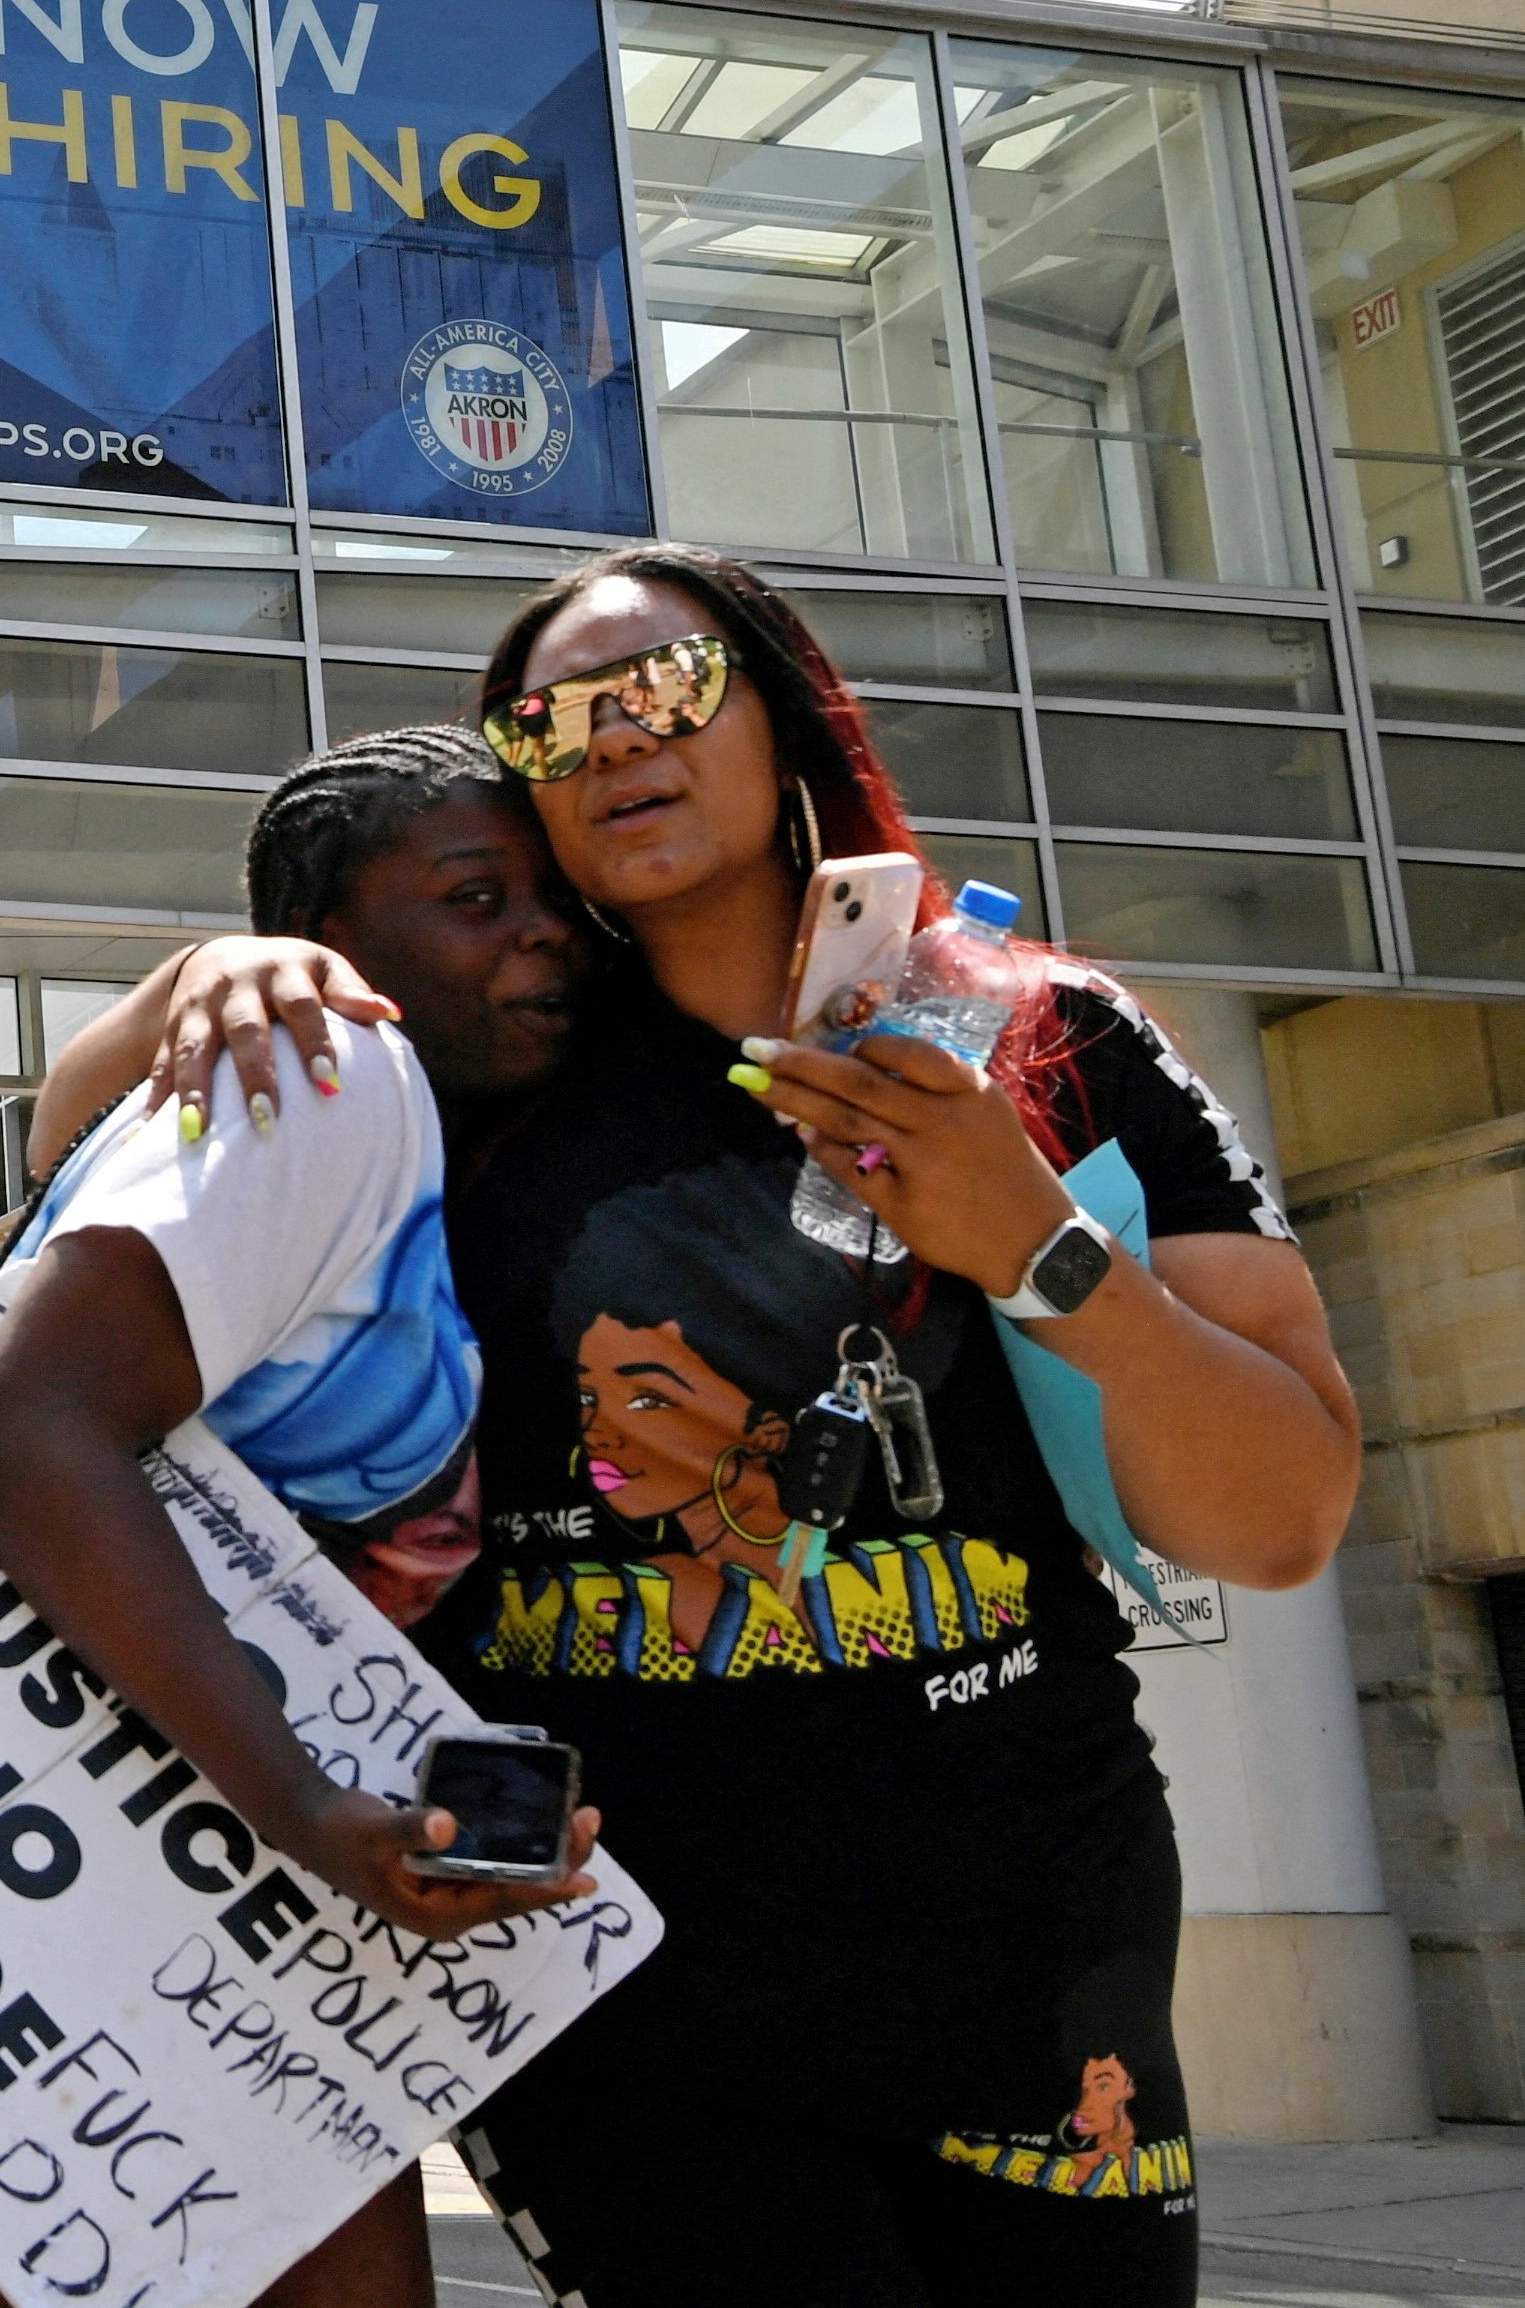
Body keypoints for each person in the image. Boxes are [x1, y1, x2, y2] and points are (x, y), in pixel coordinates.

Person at [118, 547, 1368, 2305]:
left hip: (1025, 1951)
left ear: (782, 708)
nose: (611, 738)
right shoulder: (479, 1079)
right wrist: (199, 979)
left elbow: (1283, 1513)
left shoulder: (1044, 1039)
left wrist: (1035, 1248)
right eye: (550, 721)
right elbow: (82, 1205)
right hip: (616, 1986)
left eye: (664, 687)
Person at [0, 729, 601, 2308]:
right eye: (477, 895)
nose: (541, 931)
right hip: (68, 1930)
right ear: (331, 946)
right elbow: (25, 1433)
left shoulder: (278, 1095)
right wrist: (304, 1807)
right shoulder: (330, 1070)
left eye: (555, 900)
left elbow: (59, 1140)